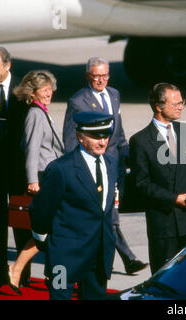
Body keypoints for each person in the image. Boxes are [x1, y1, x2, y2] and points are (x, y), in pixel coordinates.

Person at [62, 57, 147, 275]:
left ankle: (113, 258)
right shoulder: (78, 101)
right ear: (88, 76)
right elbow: (71, 139)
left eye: (105, 75)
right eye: (96, 76)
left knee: (111, 212)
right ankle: (122, 259)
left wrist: (129, 157)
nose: (101, 80)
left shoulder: (114, 94)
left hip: (115, 164)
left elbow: (118, 133)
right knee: (107, 214)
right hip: (95, 166)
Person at [30, 112, 118, 300]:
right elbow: (41, 209)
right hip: (64, 257)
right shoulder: (61, 169)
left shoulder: (111, 163)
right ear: (80, 137)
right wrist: (44, 240)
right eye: (96, 137)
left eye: (105, 136)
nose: (103, 142)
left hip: (99, 256)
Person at [129, 82, 186, 274]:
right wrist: (174, 198)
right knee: (165, 279)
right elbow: (142, 184)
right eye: (176, 103)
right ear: (159, 106)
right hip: (164, 226)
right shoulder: (140, 141)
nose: (181, 107)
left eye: (182, 102)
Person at [6, 70, 64, 295]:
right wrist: (32, 180)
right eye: (44, 89)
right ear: (34, 92)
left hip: (49, 177)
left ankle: (22, 269)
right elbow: (31, 149)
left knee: (50, 229)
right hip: (41, 178)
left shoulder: (42, 112)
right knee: (46, 229)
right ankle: (18, 268)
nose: (50, 92)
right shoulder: (35, 114)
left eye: (51, 88)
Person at [0, 46, 28, 291]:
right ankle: (0, 272)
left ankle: (21, 273)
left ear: (8, 65)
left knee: (22, 220)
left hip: (18, 168)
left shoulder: (23, 90)